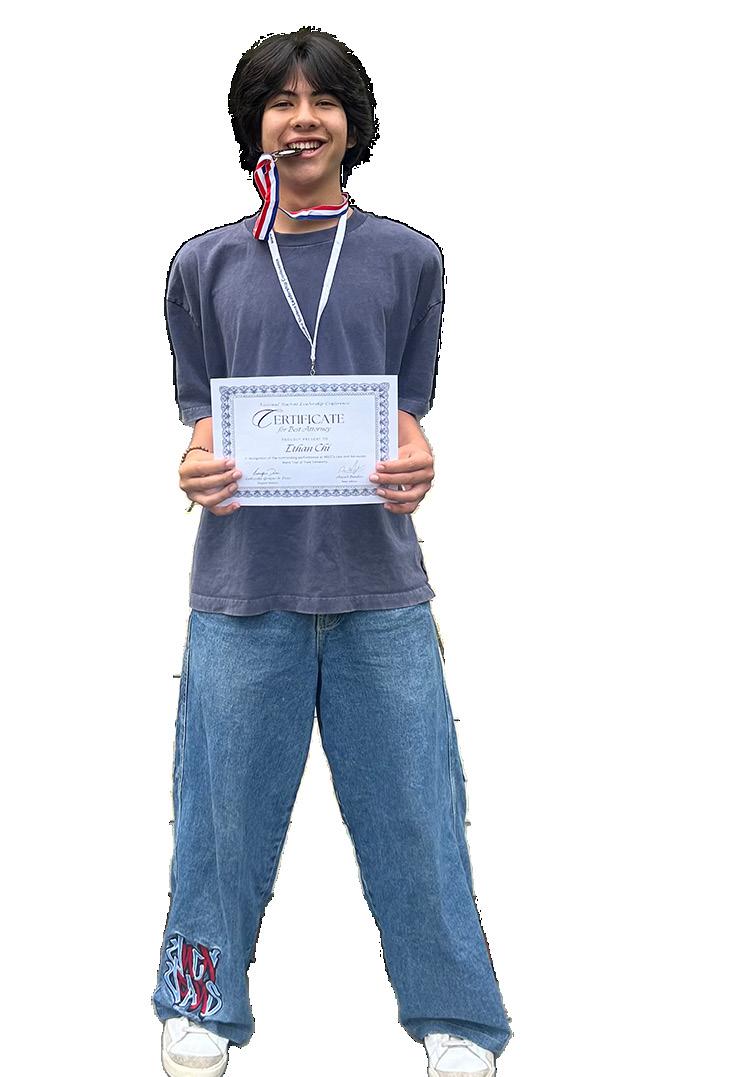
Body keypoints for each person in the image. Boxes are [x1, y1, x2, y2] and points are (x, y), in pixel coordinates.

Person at [153, 27, 513, 1077]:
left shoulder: (411, 259)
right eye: (280, 99)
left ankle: (457, 1016)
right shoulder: (203, 263)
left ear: (354, 124)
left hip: (379, 590)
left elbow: (405, 413)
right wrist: (195, 466)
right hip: (241, 589)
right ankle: (200, 1003)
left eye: (323, 100)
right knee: (218, 821)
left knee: (417, 815)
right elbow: (202, 418)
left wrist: (419, 459)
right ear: (253, 125)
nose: (301, 118)